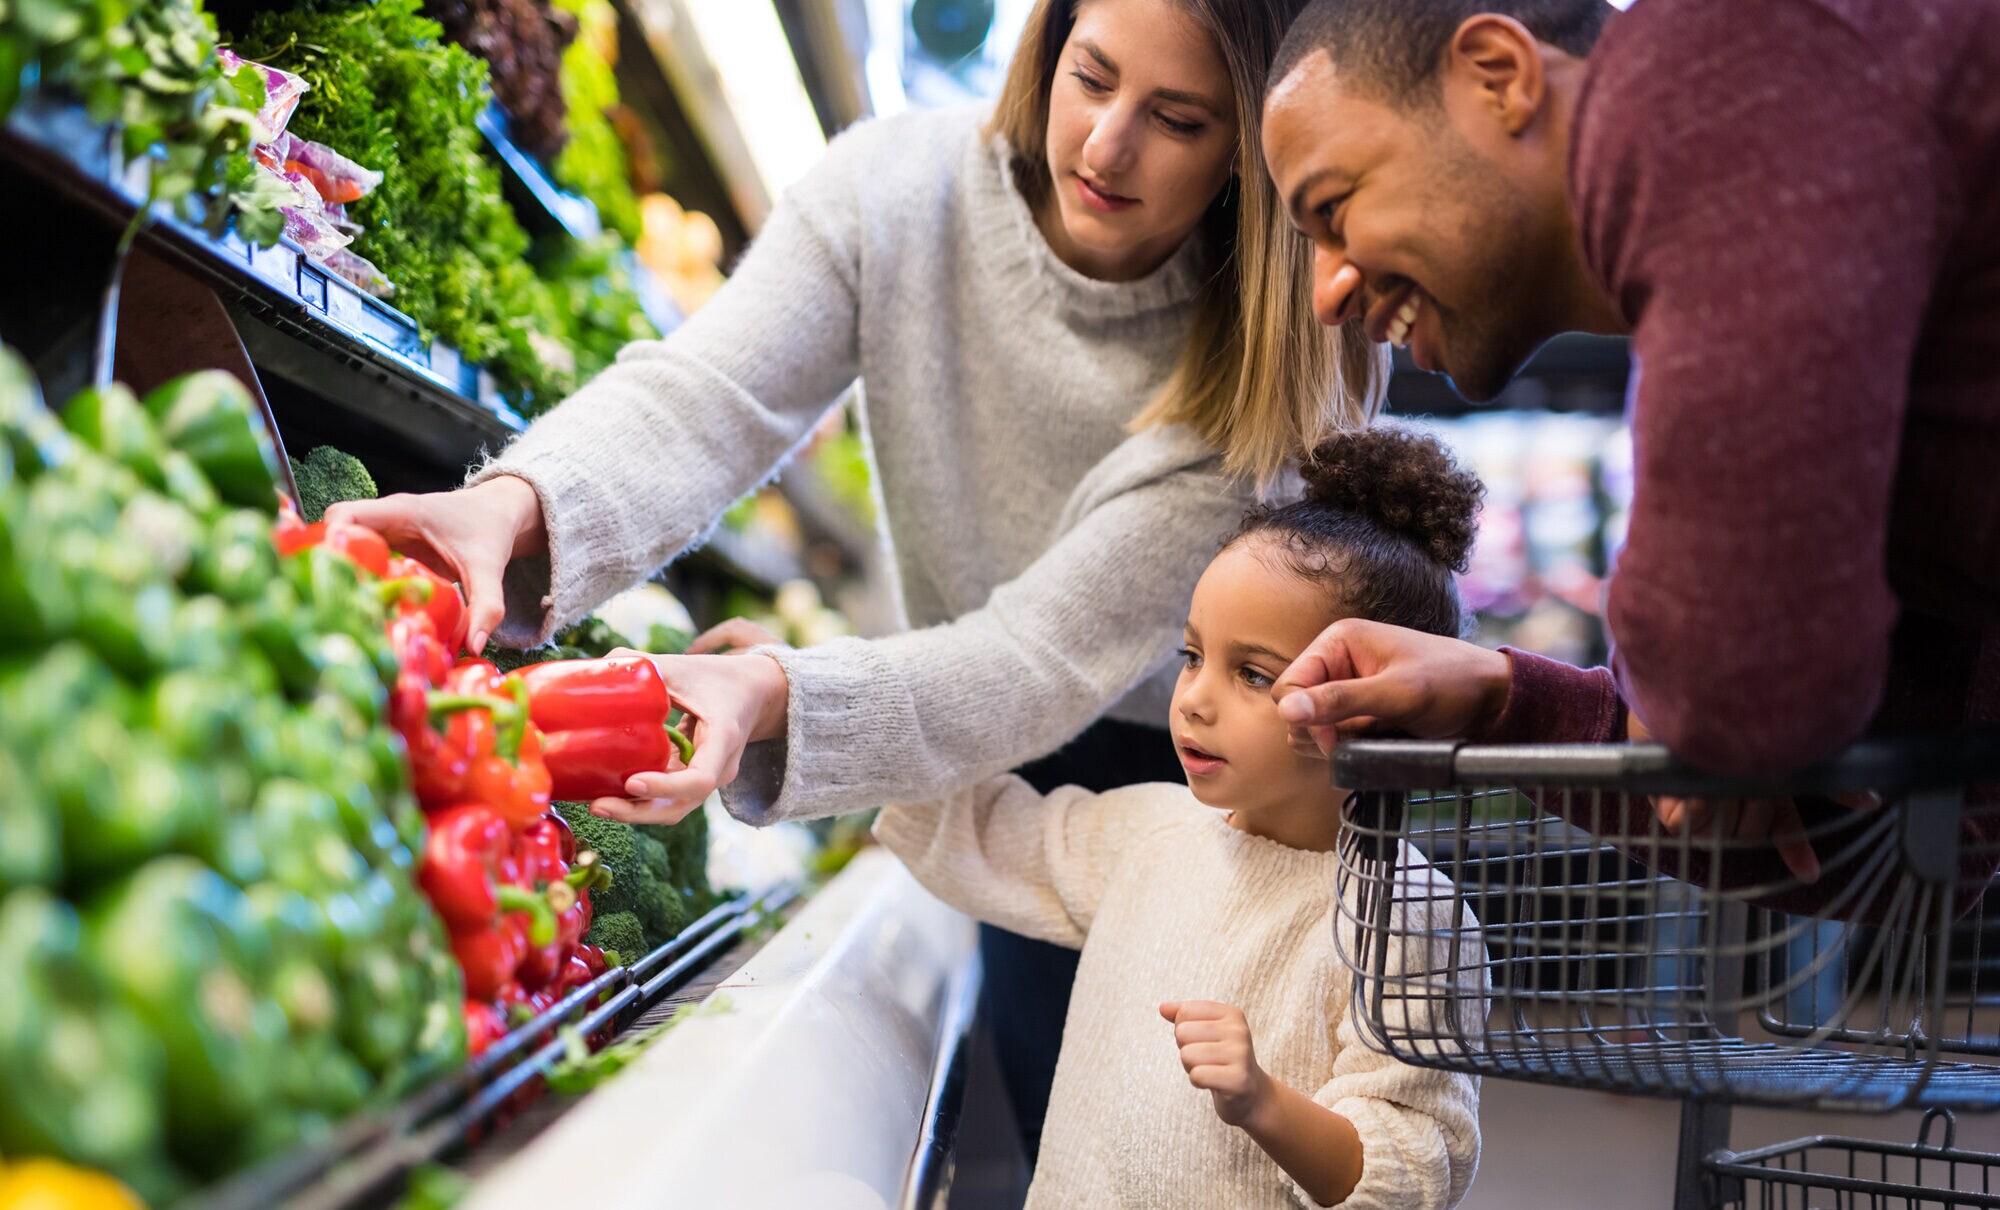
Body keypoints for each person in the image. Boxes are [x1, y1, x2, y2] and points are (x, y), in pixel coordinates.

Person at [328, 0, 1383, 1161]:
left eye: (1175, 120)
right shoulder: (899, 187)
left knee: (1190, 1154)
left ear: (1247, 141)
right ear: (1048, 46)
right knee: (1067, 1135)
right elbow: (712, 395)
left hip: (1194, 786)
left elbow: (1034, 656)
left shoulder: (1258, 362)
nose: (1103, 145)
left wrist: (782, 691)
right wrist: (519, 503)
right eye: (1091, 76)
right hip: (995, 757)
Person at [1253, 0, 2000, 896]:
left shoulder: (1736, 54)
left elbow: (1725, 687)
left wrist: (1702, 708)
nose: (1327, 293)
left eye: (1335, 209)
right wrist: (1503, 700)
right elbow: (1903, 846)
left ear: (1499, 74)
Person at [872, 426, 1483, 1208]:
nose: (1193, 697)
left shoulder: (1406, 920)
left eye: (1252, 674)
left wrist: (1264, 1101)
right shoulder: (1150, 837)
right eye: (1192, 655)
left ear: (1371, 707)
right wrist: (803, 714)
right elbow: (982, 827)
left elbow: (1415, 1164)